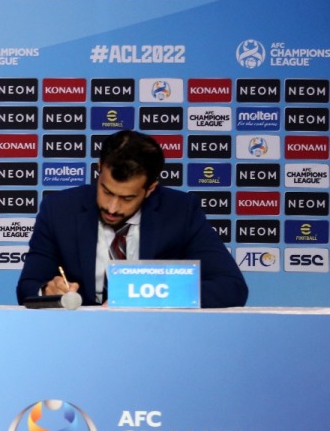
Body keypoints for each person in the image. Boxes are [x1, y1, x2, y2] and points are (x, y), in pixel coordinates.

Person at [16, 129, 248, 308]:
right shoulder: (59, 210)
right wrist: (47, 291)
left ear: (150, 189)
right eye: (106, 191)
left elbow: (231, 287)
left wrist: (144, 296)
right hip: (77, 338)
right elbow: (28, 287)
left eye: (127, 198)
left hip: (155, 335)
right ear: (99, 169)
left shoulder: (181, 212)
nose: (112, 207)